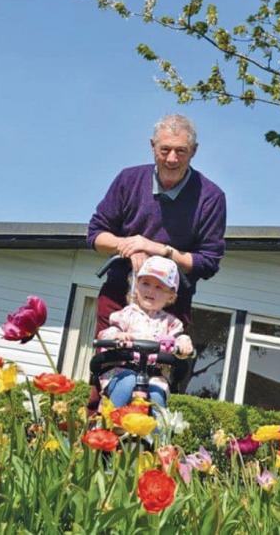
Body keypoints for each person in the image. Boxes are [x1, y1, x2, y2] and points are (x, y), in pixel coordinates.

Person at [87, 114, 227, 331]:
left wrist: (159, 250)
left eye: (181, 151)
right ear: (153, 146)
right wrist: (131, 248)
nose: (172, 159)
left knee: (158, 366)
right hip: (119, 296)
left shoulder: (210, 197)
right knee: (110, 365)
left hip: (171, 307)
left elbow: (208, 263)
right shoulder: (128, 180)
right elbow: (96, 235)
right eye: (165, 150)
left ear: (194, 151)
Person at [96, 256, 194, 410]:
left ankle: (156, 432)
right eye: (146, 283)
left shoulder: (170, 323)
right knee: (128, 382)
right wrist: (116, 336)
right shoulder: (126, 315)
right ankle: (111, 422)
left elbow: (179, 338)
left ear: (171, 295)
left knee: (156, 396)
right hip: (122, 371)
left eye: (159, 287)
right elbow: (108, 332)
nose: (150, 290)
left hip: (154, 376)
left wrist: (183, 344)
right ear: (136, 285)